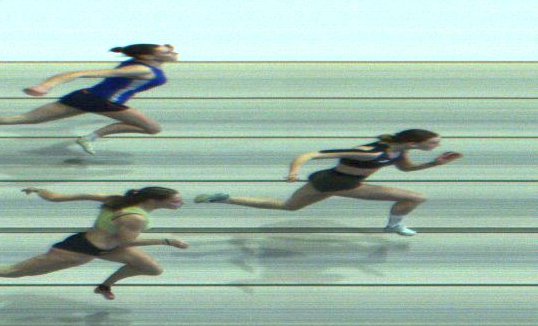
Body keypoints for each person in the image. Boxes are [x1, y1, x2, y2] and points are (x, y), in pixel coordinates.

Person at [0, 43, 178, 154]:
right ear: (147, 55)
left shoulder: (143, 64)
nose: (171, 50)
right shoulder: (141, 68)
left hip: (87, 98)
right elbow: (79, 72)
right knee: (153, 128)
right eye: (166, 49)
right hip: (101, 101)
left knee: (19, 120)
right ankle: (92, 137)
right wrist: (45, 85)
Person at [0, 187, 188, 300]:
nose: (180, 203)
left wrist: (40, 190)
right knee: (10, 272)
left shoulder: (116, 199)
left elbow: (60, 197)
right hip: (78, 251)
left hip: (94, 243)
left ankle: (104, 286)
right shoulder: (135, 218)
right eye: (175, 201)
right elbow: (125, 241)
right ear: (155, 201)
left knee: (152, 269)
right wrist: (165, 240)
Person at [193, 129, 463, 236]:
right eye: (433, 144)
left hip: (337, 183)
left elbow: (407, 169)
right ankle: (393, 226)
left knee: (288, 207)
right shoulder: (370, 152)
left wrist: (435, 163)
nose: (436, 146)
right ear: (414, 142)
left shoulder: (398, 153)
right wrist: (294, 172)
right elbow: (311, 154)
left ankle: (226, 198)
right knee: (416, 197)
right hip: (336, 182)